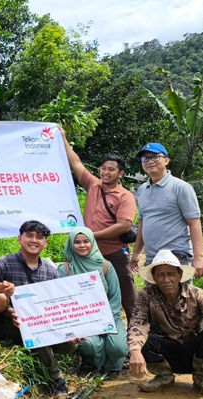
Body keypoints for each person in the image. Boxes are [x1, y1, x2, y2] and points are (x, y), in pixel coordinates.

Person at [128, 249, 203, 397]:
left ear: (180, 275)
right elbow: (137, 323)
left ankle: (202, 377)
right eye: (160, 274)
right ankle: (164, 376)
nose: (166, 279)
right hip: (167, 350)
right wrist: (135, 351)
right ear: (154, 277)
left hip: (194, 351)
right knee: (140, 339)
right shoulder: (146, 295)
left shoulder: (198, 294)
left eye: (171, 274)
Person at [0, 220, 77, 396]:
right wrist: (8, 311)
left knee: (69, 346)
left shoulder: (51, 272)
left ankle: (43, 348)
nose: (34, 240)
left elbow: (55, 305)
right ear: (19, 238)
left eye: (39, 237)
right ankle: (56, 381)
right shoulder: (3, 264)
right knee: (35, 332)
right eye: (29, 235)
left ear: (45, 243)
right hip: (6, 322)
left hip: (40, 323)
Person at [61, 128, 138, 321]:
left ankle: (137, 331)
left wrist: (92, 236)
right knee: (90, 291)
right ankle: (97, 326)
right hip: (88, 252)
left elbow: (124, 225)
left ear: (120, 173)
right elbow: (75, 162)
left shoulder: (125, 196)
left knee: (126, 292)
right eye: (103, 168)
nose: (105, 172)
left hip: (114, 252)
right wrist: (62, 136)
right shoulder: (93, 185)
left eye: (111, 169)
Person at [128, 143, 203, 278]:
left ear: (166, 160)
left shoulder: (180, 187)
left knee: (179, 297)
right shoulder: (142, 190)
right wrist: (136, 253)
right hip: (152, 257)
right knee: (154, 297)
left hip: (177, 256)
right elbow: (143, 223)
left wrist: (199, 257)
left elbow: (194, 223)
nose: (149, 161)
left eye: (154, 157)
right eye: (145, 158)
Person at [59, 227, 127, 372]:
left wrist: (105, 322)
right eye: (77, 242)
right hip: (80, 321)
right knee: (89, 345)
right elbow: (63, 301)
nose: (82, 245)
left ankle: (114, 364)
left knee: (118, 347)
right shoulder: (65, 269)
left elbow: (115, 297)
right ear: (71, 245)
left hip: (109, 318)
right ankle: (93, 362)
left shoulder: (105, 266)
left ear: (93, 243)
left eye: (86, 241)